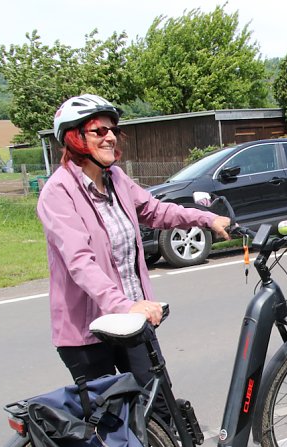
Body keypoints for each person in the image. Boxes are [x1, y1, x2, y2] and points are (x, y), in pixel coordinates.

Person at [36, 94, 231, 413]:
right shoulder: (57, 193)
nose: (110, 136)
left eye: (112, 129)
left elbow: (155, 211)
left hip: (132, 323)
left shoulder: (115, 180)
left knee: (161, 410)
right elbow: (80, 262)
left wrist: (206, 219)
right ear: (75, 137)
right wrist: (125, 306)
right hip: (87, 336)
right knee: (113, 424)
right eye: (99, 130)